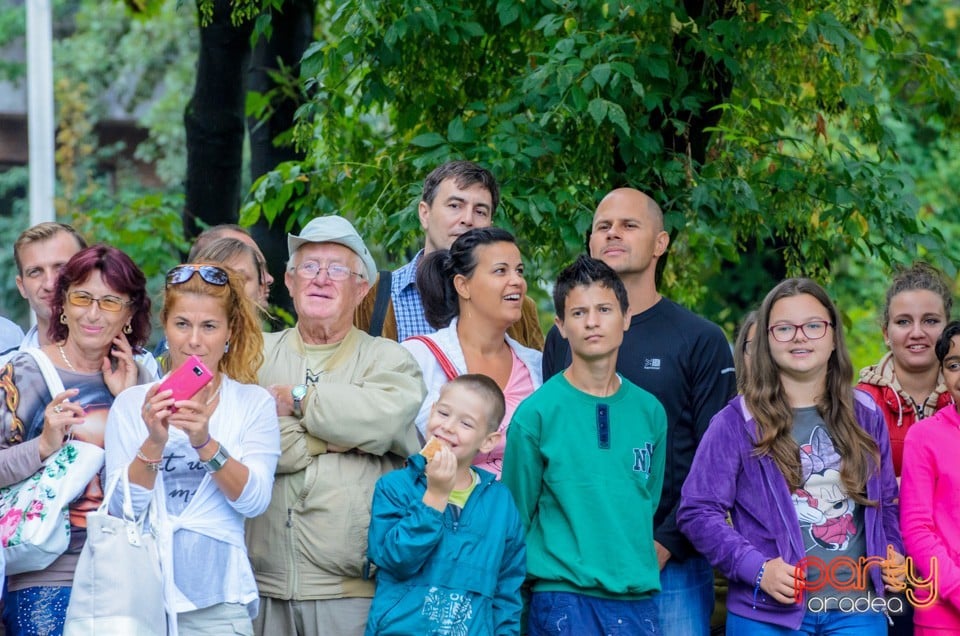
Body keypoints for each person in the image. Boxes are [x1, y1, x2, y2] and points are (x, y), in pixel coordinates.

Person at [542, 188, 736, 634]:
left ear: (661, 243)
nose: (613, 233)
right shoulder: (564, 338)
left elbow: (714, 461)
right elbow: (557, 446)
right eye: (603, 226)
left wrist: (664, 544)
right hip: (576, 566)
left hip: (669, 565)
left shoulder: (699, 339)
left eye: (629, 225)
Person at [678, 278, 905, 634]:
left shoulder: (866, 413)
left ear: (833, 337)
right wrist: (756, 568)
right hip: (766, 615)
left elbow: (886, 503)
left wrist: (894, 553)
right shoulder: (735, 422)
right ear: (767, 341)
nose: (800, 336)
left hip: (857, 610)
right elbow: (697, 511)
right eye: (784, 328)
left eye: (813, 325)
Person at [245, 215, 425, 636]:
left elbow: (384, 420)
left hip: (350, 592)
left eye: (337, 269)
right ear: (289, 281)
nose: (320, 278)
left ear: (361, 289)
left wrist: (297, 400)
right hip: (260, 586)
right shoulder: (254, 357)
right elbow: (247, 440)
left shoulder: (389, 359)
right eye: (309, 267)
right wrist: (332, 437)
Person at [105, 262, 280, 633]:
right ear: (166, 328)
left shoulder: (252, 404)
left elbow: (254, 500)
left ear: (229, 332)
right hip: (141, 600)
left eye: (209, 326)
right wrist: (154, 441)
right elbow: (121, 512)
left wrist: (204, 442)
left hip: (220, 602)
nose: (194, 341)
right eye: (182, 324)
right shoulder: (132, 404)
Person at [502, 255, 667, 635]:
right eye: (578, 313)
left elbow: (647, 499)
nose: (592, 322)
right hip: (562, 598)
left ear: (626, 318)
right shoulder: (537, 414)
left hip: (636, 599)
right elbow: (517, 514)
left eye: (604, 309)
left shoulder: (650, 412)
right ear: (560, 325)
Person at [0, 245, 154, 636]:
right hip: (47, 578)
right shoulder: (26, 373)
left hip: (127, 571)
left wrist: (127, 401)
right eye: (82, 297)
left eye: (109, 301)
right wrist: (42, 445)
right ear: (63, 306)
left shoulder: (143, 376)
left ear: (130, 313)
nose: (93, 313)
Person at [366, 374, 525, 635]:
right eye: (443, 413)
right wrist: (435, 497)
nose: (448, 427)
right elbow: (394, 560)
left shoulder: (500, 503)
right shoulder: (395, 486)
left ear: (488, 441)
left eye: (466, 423)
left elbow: (507, 589)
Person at [354, 160, 544, 349]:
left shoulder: (517, 306)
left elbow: (540, 377)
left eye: (480, 211)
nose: (468, 220)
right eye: (455, 206)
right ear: (425, 214)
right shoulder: (372, 296)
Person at [402, 227, 542, 478]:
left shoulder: (537, 366)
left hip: (518, 515)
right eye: (501, 270)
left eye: (519, 271)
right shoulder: (419, 357)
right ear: (463, 286)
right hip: (443, 510)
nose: (517, 281)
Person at [857, 262, 954, 478]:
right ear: (886, 334)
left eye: (930, 321)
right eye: (903, 322)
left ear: (947, 329)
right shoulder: (860, 404)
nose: (917, 332)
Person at [900, 320, 960, 635]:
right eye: (954, 364)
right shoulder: (923, 437)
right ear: (943, 374)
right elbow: (916, 530)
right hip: (941, 615)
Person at [9, 222, 87, 351]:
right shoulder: (7, 368)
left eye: (62, 268)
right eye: (35, 272)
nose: (50, 284)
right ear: (21, 286)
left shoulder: (129, 363)